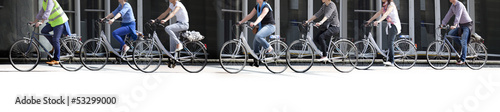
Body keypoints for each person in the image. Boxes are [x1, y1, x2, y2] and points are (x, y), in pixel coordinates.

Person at [30, 0, 72, 65]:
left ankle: (56, 59)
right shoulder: (45, 2)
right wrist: (34, 22)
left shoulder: (50, 1)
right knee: (44, 31)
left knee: (55, 39)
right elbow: (41, 13)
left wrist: (42, 22)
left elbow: (48, 11)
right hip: (54, 22)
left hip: (60, 22)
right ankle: (55, 46)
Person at [238, 0, 276, 67]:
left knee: (258, 36)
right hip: (263, 26)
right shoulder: (257, 6)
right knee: (255, 43)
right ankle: (256, 60)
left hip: (270, 26)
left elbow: (261, 17)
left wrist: (255, 23)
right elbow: (250, 15)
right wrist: (241, 22)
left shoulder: (266, 7)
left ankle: (269, 47)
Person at [366, 0, 401, 66]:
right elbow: (378, 13)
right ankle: (388, 57)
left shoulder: (391, 5)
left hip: (394, 26)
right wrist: (369, 21)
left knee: (390, 42)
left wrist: (379, 21)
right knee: (389, 43)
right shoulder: (385, 5)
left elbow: (386, 14)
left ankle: (392, 61)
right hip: (389, 26)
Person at [441, 0, 473, 65]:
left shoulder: (459, 5)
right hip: (461, 25)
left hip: (467, 25)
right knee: (450, 34)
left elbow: (458, 15)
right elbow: (448, 15)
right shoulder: (452, 6)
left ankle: (463, 59)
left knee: (464, 41)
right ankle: (463, 46)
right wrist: (443, 24)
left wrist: (455, 25)